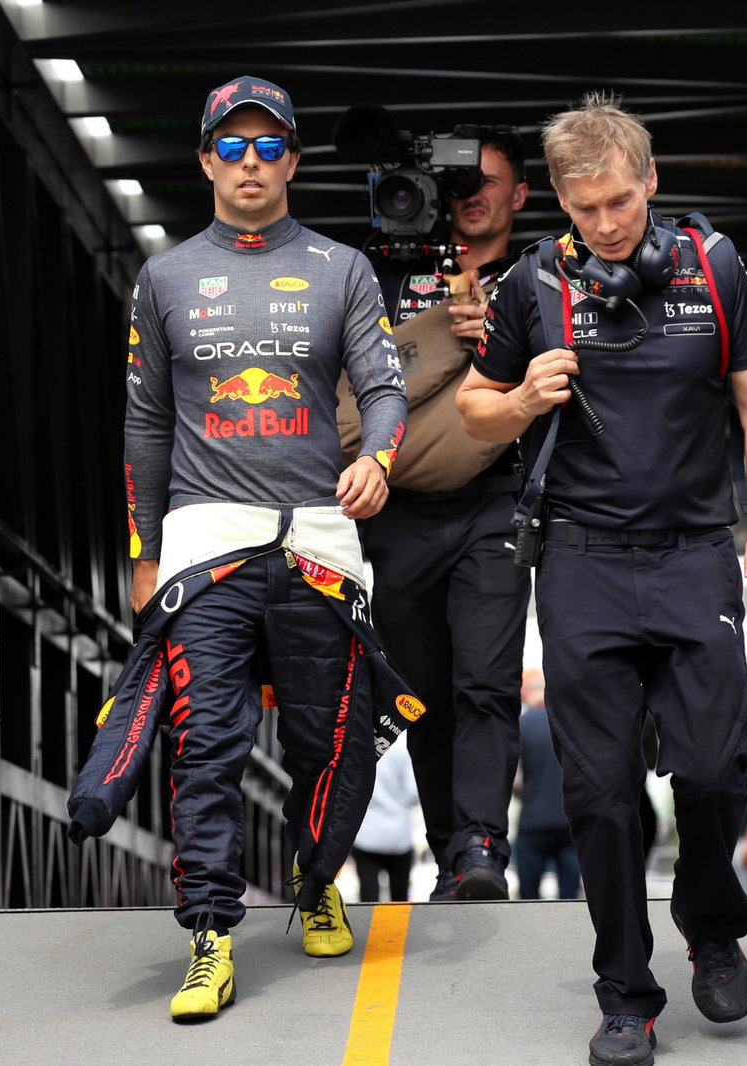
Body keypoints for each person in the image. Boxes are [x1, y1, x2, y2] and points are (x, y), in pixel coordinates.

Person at [458, 91, 747, 1065]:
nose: (606, 223)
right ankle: (624, 994)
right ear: (560, 199)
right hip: (581, 565)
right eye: (584, 206)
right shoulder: (532, 287)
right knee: (598, 795)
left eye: (619, 201)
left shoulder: (713, 268)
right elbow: (476, 408)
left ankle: (710, 919)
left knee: (713, 765)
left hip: (695, 554)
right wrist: (521, 396)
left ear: (647, 180)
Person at [102, 75, 411, 1024]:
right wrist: (144, 555)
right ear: (204, 160)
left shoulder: (343, 269)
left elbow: (386, 389)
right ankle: (210, 937)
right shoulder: (164, 277)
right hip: (205, 543)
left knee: (330, 736)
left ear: (293, 161)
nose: (250, 163)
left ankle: (317, 878)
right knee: (206, 742)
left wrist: (381, 460)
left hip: (316, 536)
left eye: (268, 146)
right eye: (231, 147)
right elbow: (145, 426)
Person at [340, 126, 532, 901]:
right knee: (424, 688)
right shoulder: (380, 276)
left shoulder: (545, 276)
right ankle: (454, 848)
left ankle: (483, 844)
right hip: (400, 510)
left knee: (487, 676)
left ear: (520, 193)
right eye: (458, 186)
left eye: (489, 182)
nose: (472, 196)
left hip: (498, 503)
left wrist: (503, 338)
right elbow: (344, 389)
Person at [512, 668, 581, 900]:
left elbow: (513, 779)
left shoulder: (522, 725)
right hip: (571, 821)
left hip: (534, 823)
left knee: (529, 898)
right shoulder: (571, 724)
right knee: (571, 898)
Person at [351, 732, 421, 902]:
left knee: (367, 896)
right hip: (398, 834)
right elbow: (413, 792)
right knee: (399, 898)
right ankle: (399, 929)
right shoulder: (402, 743)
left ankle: (366, 927)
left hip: (365, 833)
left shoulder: (358, 741)